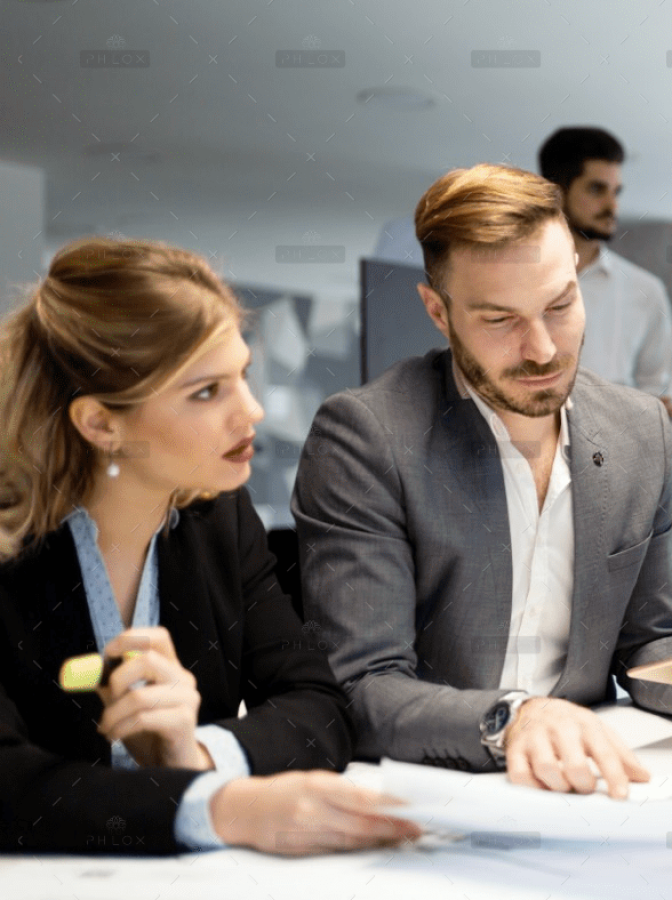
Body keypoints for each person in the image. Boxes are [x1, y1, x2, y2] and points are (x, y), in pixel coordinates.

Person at [293, 163, 672, 801]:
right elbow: (361, 686)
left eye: (559, 306)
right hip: (433, 791)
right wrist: (515, 717)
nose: (541, 350)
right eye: (500, 320)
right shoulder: (367, 437)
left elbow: (650, 639)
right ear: (438, 313)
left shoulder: (639, 430)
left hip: (596, 781)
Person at [0, 237, 419, 855]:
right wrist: (216, 807)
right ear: (101, 424)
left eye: (242, 375)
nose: (250, 411)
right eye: (206, 392)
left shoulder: (221, 517)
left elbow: (319, 707)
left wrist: (195, 753)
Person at [538, 126, 672, 417]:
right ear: (555, 191)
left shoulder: (646, 290)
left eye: (615, 192)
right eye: (596, 189)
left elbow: (657, 387)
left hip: (617, 451)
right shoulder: (510, 280)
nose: (612, 205)